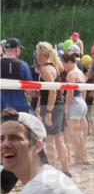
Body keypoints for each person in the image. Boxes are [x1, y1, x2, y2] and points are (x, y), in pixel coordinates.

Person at [33, 42, 71, 176]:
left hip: (52, 107)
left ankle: (52, 171)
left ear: (40, 54)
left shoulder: (46, 69)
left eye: (37, 52)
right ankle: (65, 170)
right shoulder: (54, 66)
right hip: (58, 105)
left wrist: (48, 112)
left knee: (50, 141)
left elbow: (53, 92)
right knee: (59, 140)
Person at [60, 52, 89, 167]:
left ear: (69, 62)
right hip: (82, 101)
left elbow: (70, 92)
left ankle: (79, 157)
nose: (64, 67)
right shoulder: (81, 73)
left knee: (74, 133)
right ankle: (83, 156)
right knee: (80, 133)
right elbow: (84, 90)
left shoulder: (71, 74)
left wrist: (67, 108)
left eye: (64, 64)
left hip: (75, 102)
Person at [1, 39, 33, 113]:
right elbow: (29, 90)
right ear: (17, 49)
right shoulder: (23, 65)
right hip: (20, 108)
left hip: (2, 107)